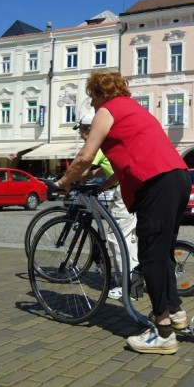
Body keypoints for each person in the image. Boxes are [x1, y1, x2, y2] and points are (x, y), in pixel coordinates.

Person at [55, 70, 191, 355]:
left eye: (92, 97)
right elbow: (123, 163)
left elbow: (84, 156)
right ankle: (175, 312)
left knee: (150, 255)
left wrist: (64, 183)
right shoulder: (134, 110)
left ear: (101, 93)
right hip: (177, 177)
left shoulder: (108, 110)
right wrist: (103, 184)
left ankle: (163, 331)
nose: (92, 105)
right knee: (162, 250)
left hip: (156, 182)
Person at [73, 112, 139, 300]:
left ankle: (126, 285)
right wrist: (98, 181)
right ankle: (134, 280)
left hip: (124, 192)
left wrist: (66, 182)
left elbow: (82, 165)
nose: (80, 135)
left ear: (88, 130)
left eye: (81, 131)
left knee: (117, 237)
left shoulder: (99, 145)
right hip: (127, 189)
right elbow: (106, 169)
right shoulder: (108, 143)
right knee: (127, 238)